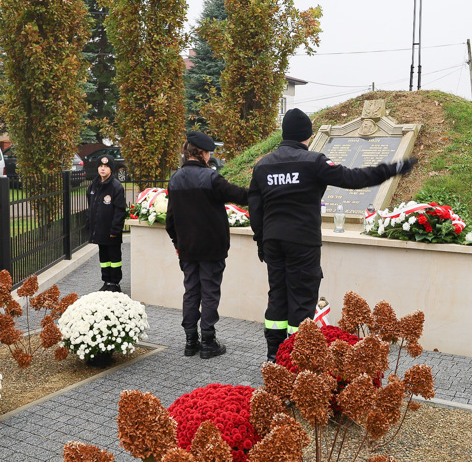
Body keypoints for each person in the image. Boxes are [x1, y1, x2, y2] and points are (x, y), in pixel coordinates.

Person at [248, 108, 417, 362]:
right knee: (302, 298)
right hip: (302, 241)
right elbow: (354, 178)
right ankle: (296, 357)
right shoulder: (314, 162)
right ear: (307, 135)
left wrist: (261, 241)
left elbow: (255, 208)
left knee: (278, 296)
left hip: (273, 241)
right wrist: (393, 169)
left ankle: (273, 355)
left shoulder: (263, 166)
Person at [166, 131, 249, 359]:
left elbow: (170, 220)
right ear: (202, 153)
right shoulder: (211, 178)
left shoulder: (175, 179)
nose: (210, 156)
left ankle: (190, 341)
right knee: (210, 292)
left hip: (187, 249)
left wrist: (177, 243)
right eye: (209, 152)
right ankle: (208, 342)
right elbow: (240, 195)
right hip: (212, 248)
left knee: (191, 291)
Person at [86, 156, 127, 293]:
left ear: (111, 169)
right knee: (103, 257)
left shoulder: (116, 187)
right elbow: (91, 206)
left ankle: (115, 283)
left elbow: (120, 210)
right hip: (100, 230)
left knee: (114, 257)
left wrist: (115, 229)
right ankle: (106, 281)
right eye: (100, 166)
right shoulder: (93, 186)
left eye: (106, 166)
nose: (103, 169)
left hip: (111, 230)